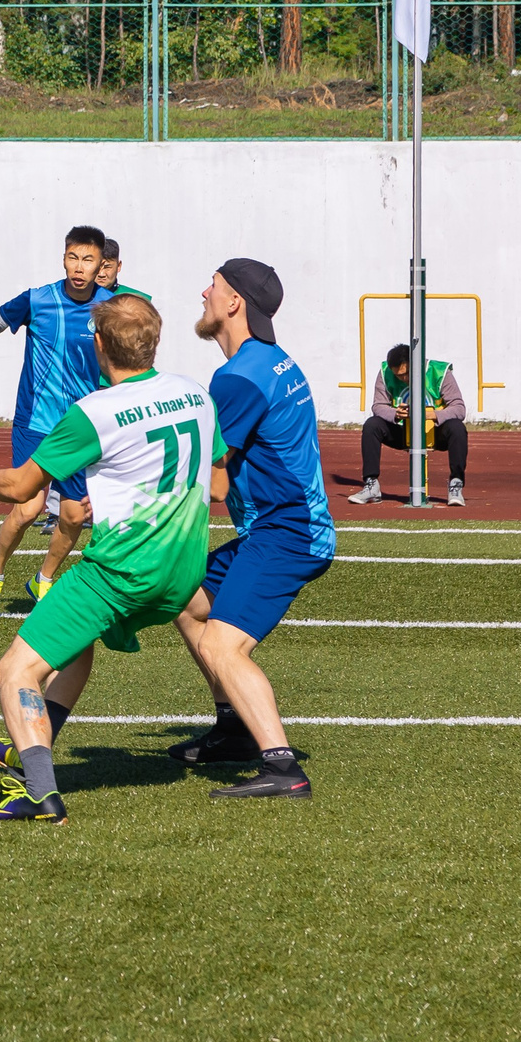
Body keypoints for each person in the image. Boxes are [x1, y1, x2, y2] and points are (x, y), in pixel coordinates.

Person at [0, 294, 215, 822]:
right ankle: (32, 742)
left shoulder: (93, 412)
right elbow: (220, 479)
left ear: (98, 345)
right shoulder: (194, 394)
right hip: (183, 571)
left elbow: (21, 486)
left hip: (121, 572)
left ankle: (40, 793)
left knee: (15, 671)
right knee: (74, 646)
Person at [168, 259, 337, 798]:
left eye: (212, 287)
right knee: (188, 601)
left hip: (287, 532)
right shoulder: (271, 360)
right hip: (282, 524)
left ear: (234, 302)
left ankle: (283, 768)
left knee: (222, 646)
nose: (204, 293)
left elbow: (214, 487)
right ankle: (235, 730)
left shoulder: (237, 376)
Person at [0, 226, 113, 615]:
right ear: (64, 258)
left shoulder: (112, 307)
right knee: (27, 508)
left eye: (88, 259)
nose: (79, 267)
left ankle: (43, 581)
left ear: (102, 265)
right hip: (36, 423)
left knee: (74, 514)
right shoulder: (38, 300)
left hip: (81, 428)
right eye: (73, 257)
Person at [350, 344, 469, 506]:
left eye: (406, 374)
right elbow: (378, 406)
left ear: (417, 364)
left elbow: (459, 408)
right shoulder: (385, 373)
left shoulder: (440, 372)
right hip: (402, 431)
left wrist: (432, 415)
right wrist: (395, 414)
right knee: (372, 425)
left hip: (434, 432)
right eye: (398, 375)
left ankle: (456, 483)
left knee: (457, 428)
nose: (403, 379)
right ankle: (371, 484)